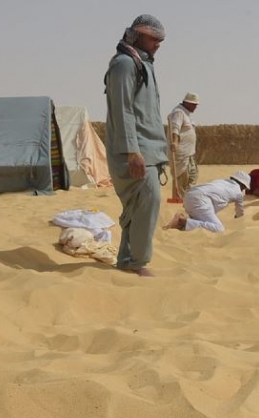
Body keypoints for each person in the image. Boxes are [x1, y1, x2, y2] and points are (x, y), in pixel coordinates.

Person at [104, 14, 169, 277]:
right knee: (148, 200)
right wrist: (133, 151)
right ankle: (135, 261)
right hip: (133, 151)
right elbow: (123, 112)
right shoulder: (124, 64)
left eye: (160, 40)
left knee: (141, 206)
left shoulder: (143, 64)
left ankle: (128, 261)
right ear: (137, 35)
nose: (158, 44)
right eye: (153, 38)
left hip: (149, 150)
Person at [163, 171, 250, 233]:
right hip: (201, 200)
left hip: (189, 196)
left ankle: (184, 220)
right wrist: (238, 219)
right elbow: (240, 212)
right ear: (242, 185)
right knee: (219, 228)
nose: (243, 190)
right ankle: (182, 221)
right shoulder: (238, 193)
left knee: (203, 219)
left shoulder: (222, 181)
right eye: (244, 188)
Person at [167, 92, 199, 198]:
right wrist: (175, 142)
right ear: (187, 103)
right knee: (182, 179)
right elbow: (175, 128)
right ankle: (179, 201)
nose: (195, 107)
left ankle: (187, 199)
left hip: (189, 154)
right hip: (181, 155)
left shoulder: (186, 114)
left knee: (192, 177)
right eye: (194, 104)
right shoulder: (178, 112)